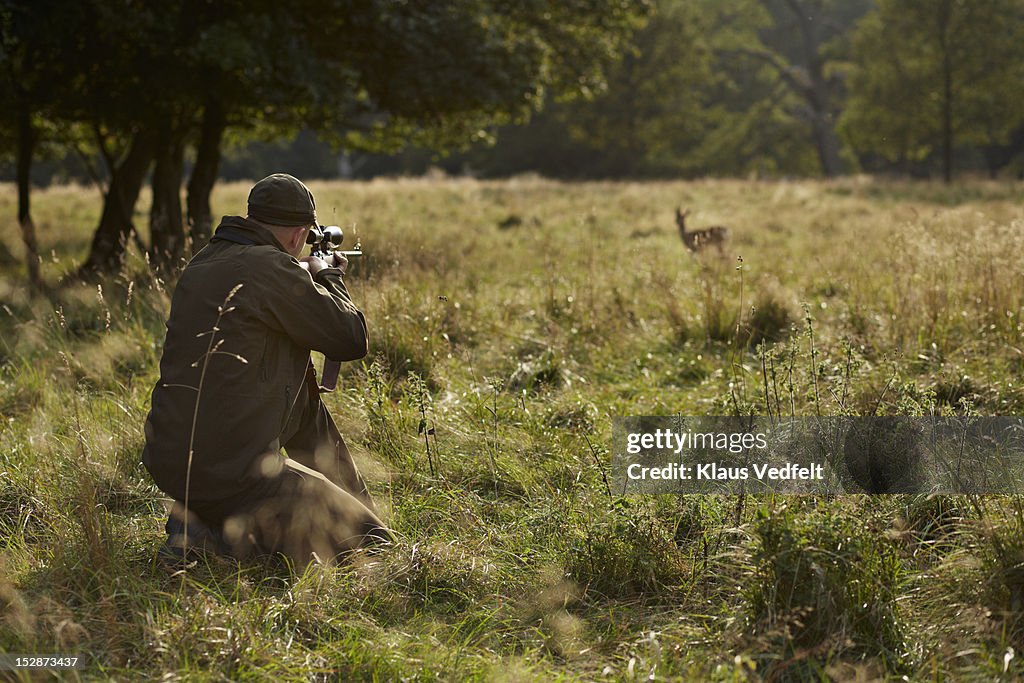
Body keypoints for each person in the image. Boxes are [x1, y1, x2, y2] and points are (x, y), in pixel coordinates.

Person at [141, 173, 391, 566]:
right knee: (374, 546)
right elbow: (350, 338)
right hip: (235, 469)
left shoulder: (204, 261)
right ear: (297, 235)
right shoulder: (271, 268)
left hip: (174, 460)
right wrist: (329, 276)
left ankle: (200, 520)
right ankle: (215, 538)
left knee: (306, 403)